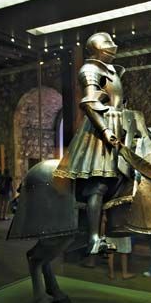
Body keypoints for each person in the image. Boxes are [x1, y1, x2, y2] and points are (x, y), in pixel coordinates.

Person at [53, 32, 133, 256]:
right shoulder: (90, 70)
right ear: (97, 49)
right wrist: (105, 129)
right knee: (98, 184)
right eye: (107, 45)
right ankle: (94, 237)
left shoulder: (113, 72)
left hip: (119, 125)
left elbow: (117, 101)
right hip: (98, 132)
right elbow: (89, 103)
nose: (112, 47)